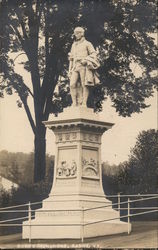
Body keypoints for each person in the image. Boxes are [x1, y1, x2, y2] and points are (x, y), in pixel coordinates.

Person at [68, 27, 100, 107]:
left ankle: (84, 103)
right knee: (72, 84)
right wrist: (69, 70)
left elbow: (94, 54)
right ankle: (74, 103)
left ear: (81, 33)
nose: (76, 35)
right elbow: (71, 59)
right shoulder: (74, 45)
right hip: (75, 67)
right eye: (75, 33)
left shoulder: (87, 43)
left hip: (83, 66)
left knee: (84, 84)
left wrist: (85, 60)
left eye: (77, 33)